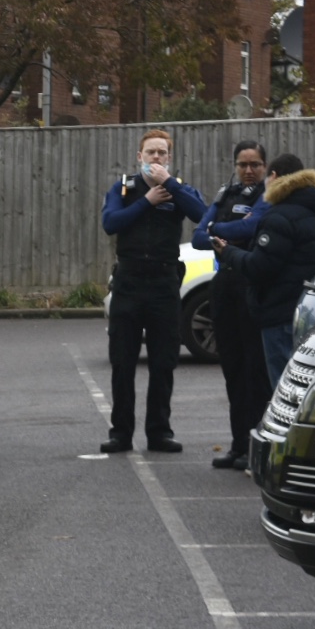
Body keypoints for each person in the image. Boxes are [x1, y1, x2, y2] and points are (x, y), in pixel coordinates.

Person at [100, 129, 206, 454]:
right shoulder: (124, 188)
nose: (156, 158)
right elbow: (111, 223)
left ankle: (159, 432)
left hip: (163, 282)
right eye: (151, 153)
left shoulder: (179, 190)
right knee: (123, 361)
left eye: (162, 153)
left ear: (169, 158)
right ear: (139, 157)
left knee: (163, 362)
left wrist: (170, 185)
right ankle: (121, 433)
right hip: (129, 281)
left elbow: (203, 217)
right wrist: (147, 201)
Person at [215, 154, 315, 390]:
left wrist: (227, 252)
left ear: (274, 177)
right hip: (306, 313)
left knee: (284, 390)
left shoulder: (279, 216)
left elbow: (259, 268)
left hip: (278, 313)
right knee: (304, 387)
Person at [192, 141, 271, 470]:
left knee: (256, 372)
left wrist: (215, 230)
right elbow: (197, 236)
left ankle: (258, 449)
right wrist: (215, 233)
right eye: (243, 164)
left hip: (251, 285)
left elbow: (249, 227)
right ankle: (239, 446)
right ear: (235, 165)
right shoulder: (226, 194)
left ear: (264, 166)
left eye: (255, 164)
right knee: (232, 370)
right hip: (224, 286)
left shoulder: (269, 196)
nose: (249, 170)